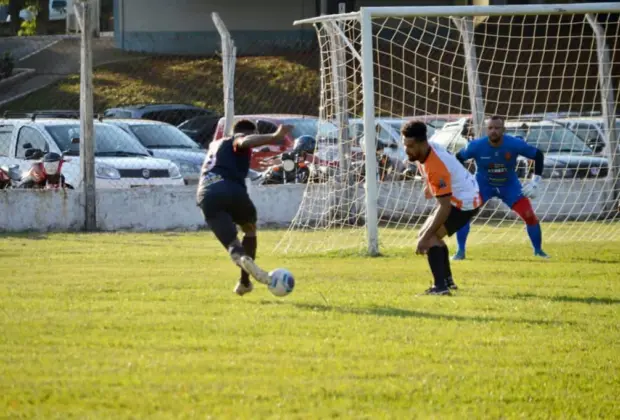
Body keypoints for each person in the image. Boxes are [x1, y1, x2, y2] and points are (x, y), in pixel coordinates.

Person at [196, 120, 293, 296]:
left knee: (232, 243)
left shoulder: (215, 144)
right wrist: (274, 137)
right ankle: (244, 280)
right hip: (233, 191)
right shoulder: (237, 140)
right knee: (249, 230)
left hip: (207, 194)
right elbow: (244, 141)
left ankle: (241, 259)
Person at [401, 120, 482, 295]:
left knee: (429, 238)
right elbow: (426, 168)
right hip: (464, 196)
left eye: (410, 146)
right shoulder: (425, 151)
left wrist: (426, 238)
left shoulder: (436, 165)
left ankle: (440, 288)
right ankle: (447, 281)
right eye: (405, 145)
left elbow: (444, 207)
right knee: (427, 234)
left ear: (422, 143)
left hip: (463, 203)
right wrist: (427, 184)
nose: (407, 150)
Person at [452, 116, 549, 260]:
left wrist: (535, 182)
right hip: (482, 185)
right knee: (463, 214)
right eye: (490, 128)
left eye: (497, 128)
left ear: (503, 130)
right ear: (486, 130)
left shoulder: (514, 143)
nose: (493, 131)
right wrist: (464, 179)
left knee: (529, 215)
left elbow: (538, 155)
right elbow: (458, 158)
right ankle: (460, 252)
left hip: (509, 185)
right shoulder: (476, 145)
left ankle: (538, 251)